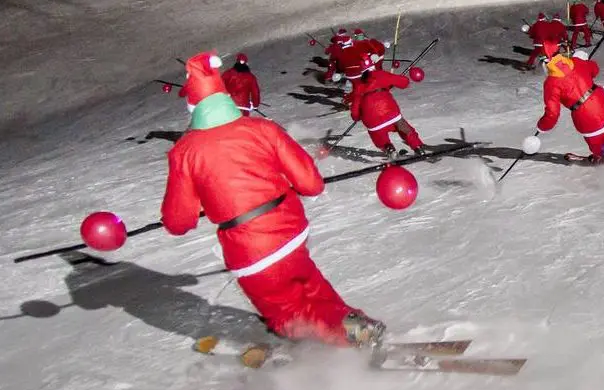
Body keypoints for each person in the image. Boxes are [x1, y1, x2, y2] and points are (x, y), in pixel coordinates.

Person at [162, 53, 385, 347]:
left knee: (287, 313)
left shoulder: (186, 151)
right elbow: (311, 183)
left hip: (251, 249)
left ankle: (343, 340)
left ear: (193, 106)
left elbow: (179, 221)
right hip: (291, 229)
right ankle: (355, 324)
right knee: (312, 289)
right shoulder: (261, 129)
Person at [536, 40, 604, 164]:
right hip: (603, 103)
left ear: (545, 63)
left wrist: (542, 126)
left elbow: (552, 114)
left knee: (596, 145)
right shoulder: (576, 62)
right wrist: (583, 63)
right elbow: (594, 69)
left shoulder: (551, 83)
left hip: (587, 116)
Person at [350, 65, 425, 157]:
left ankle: (389, 150)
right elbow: (403, 82)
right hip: (389, 111)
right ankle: (418, 147)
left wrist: (357, 117)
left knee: (379, 137)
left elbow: (355, 109)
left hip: (371, 118)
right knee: (404, 128)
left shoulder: (359, 85)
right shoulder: (380, 74)